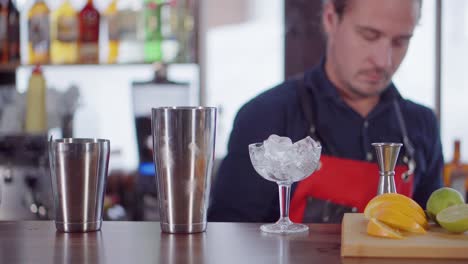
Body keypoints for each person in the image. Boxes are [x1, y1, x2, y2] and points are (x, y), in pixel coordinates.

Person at [208, 0, 443, 223]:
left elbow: (431, 235)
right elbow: (228, 238)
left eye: (400, 41)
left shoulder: (422, 124)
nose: (384, 61)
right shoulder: (266, 115)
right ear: (331, 18)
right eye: (369, 36)